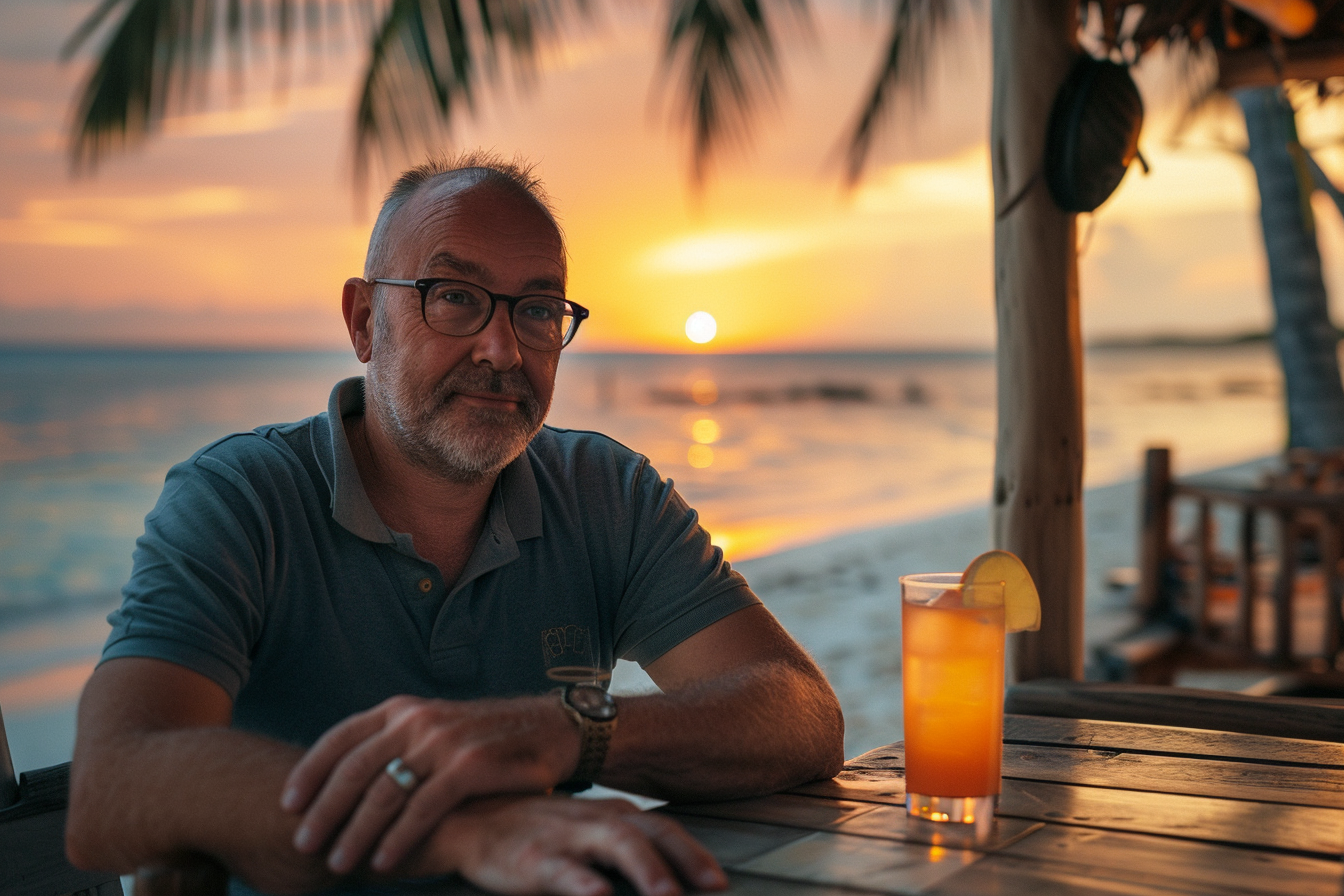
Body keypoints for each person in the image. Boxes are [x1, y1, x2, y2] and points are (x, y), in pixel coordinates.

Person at [65, 153, 845, 896]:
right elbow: (114, 785)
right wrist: (466, 833)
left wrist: (570, 731)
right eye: (455, 296)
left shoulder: (606, 491)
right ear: (366, 320)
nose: (502, 349)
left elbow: (801, 716)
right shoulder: (240, 499)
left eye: (538, 310)